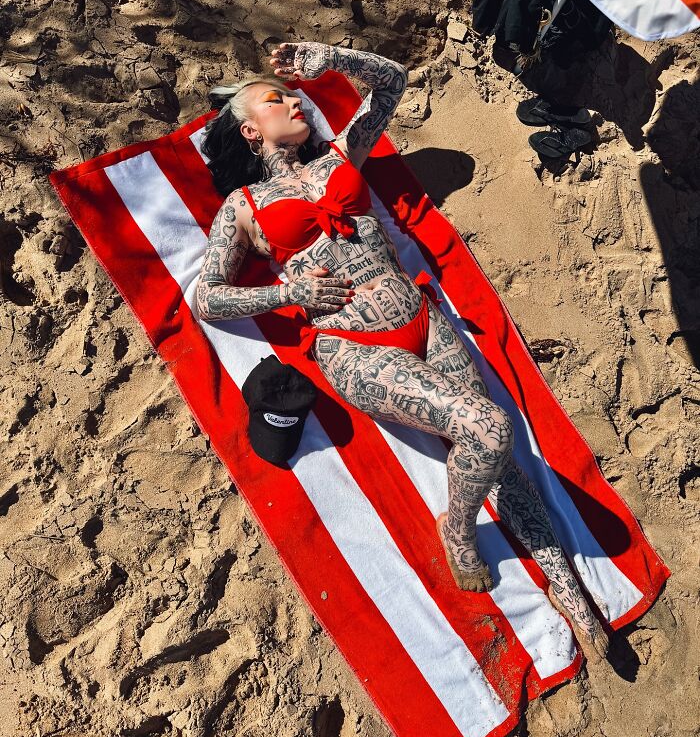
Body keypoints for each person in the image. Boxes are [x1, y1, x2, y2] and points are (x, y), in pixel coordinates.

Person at [196, 41, 609, 661]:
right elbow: (207, 297)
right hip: (351, 342)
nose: (293, 98)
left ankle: (574, 598)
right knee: (490, 428)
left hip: (420, 316)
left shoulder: (340, 153)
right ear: (250, 131)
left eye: (291, 90)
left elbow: (391, 82)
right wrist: (289, 291)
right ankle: (458, 530)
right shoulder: (244, 208)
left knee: (494, 456)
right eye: (275, 97)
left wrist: (326, 58)